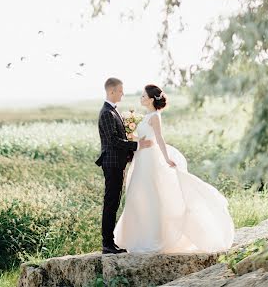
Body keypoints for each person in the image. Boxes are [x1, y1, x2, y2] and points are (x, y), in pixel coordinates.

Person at [114, 84, 235, 253]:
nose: (141, 98)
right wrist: (129, 135)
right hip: (141, 158)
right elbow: (142, 137)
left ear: (150, 99)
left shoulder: (155, 116)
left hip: (150, 159)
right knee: (137, 194)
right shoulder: (146, 116)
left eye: (143, 96)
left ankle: (154, 238)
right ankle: (137, 236)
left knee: (151, 196)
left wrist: (166, 158)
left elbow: (159, 139)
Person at [95, 77, 153, 255]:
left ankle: (110, 243)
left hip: (117, 163)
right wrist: (136, 146)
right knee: (111, 203)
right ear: (111, 91)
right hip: (111, 163)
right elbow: (112, 141)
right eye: (120, 90)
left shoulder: (114, 111)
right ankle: (107, 244)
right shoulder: (106, 112)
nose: (122, 93)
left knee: (114, 201)